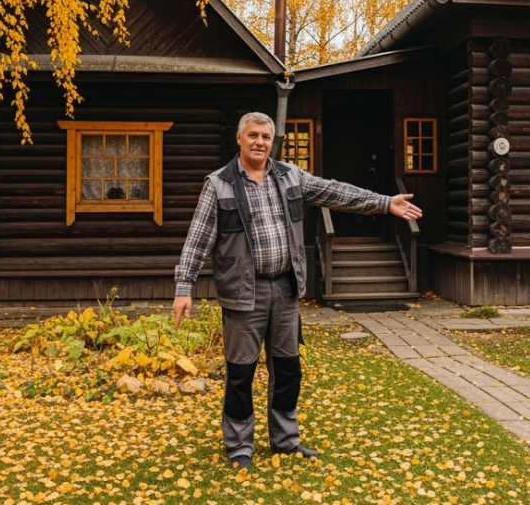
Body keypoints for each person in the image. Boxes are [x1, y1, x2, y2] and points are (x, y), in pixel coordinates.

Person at [172, 111, 423, 469]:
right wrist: (185, 286)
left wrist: (385, 202)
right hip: (244, 294)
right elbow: (197, 240)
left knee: (288, 370)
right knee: (240, 373)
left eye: (266, 137)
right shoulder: (219, 184)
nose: (260, 142)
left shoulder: (290, 177)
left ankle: (286, 441)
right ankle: (239, 447)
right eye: (254, 135)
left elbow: (336, 192)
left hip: (285, 290)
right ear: (240, 139)